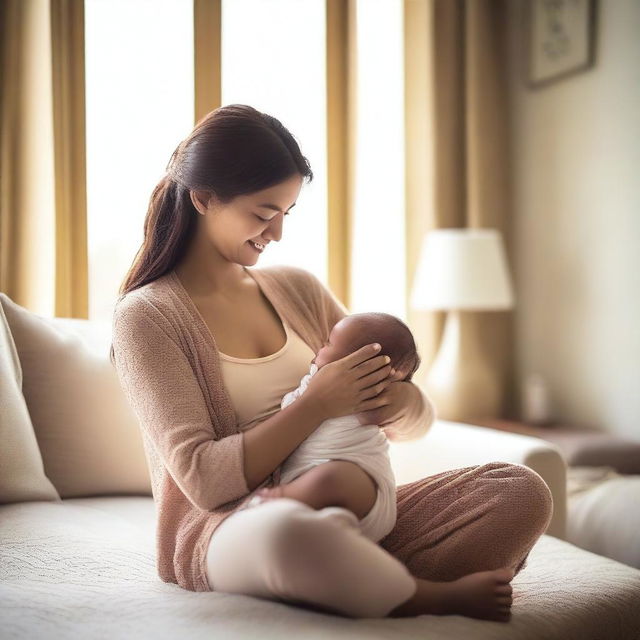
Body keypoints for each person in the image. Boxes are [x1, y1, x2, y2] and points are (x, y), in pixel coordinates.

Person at [110, 104, 553, 622]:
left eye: (285, 214)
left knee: (519, 492)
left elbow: (418, 421)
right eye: (262, 213)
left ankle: (349, 578)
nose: (275, 234)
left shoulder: (297, 288)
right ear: (204, 199)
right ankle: (412, 593)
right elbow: (204, 482)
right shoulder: (146, 316)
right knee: (288, 532)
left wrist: (393, 396)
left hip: (343, 513)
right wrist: (317, 404)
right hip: (231, 527)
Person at [248, 312, 423, 544]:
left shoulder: (370, 395)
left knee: (332, 478)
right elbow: (290, 406)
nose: (320, 347)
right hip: (315, 500)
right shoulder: (313, 380)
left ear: (361, 366)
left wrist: (391, 385)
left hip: (364, 492)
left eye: (328, 343)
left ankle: (278, 498)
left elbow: (393, 409)